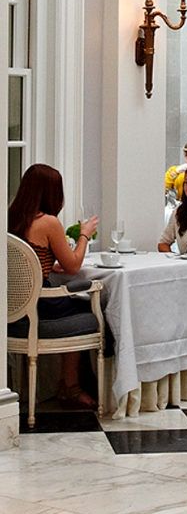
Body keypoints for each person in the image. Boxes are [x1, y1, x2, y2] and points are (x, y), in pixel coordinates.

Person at [7, 163, 100, 410]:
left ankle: (65, 384)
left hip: (14, 306)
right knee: (87, 310)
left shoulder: (11, 218)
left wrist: (47, 265)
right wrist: (84, 235)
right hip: (39, 305)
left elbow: (30, 260)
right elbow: (72, 265)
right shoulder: (48, 222)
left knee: (72, 305)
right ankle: (71, 386)